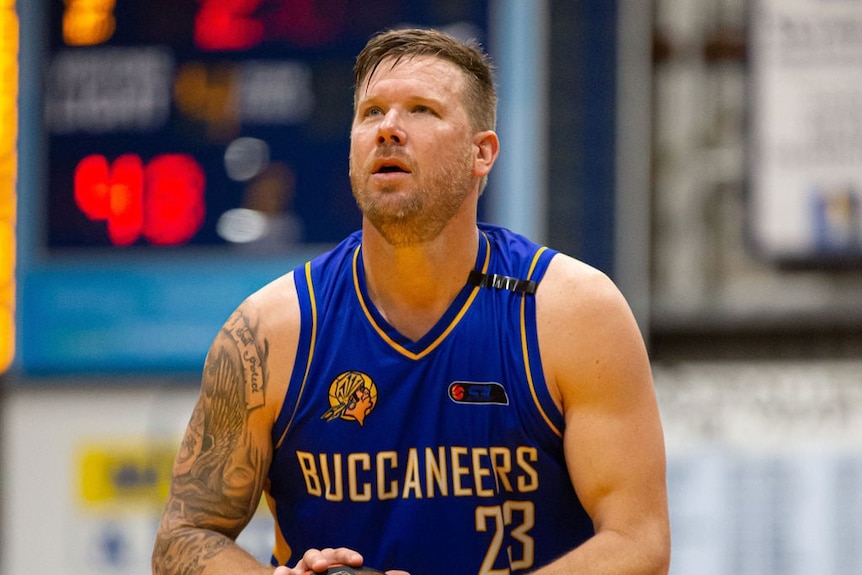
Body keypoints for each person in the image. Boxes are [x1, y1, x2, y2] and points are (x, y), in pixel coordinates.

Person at [152, 27, 670, 575]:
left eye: (421, 110)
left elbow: (639, 542)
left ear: (482, 153)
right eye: (371, 113)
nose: (389, 130)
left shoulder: (570, 312)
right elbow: (185, 537)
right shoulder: (270, 331)